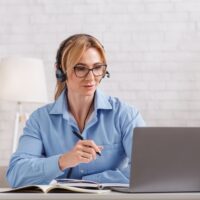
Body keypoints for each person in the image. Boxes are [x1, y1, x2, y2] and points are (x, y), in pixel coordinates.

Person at [6, 34, 145, 188]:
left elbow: (147, 170)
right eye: (80, 68)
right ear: (60, 71)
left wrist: (89, 182)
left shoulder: (125, 115)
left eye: (97, 67)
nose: (91, 77)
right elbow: (16, 174)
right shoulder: (40, 120)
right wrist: (63, 161)